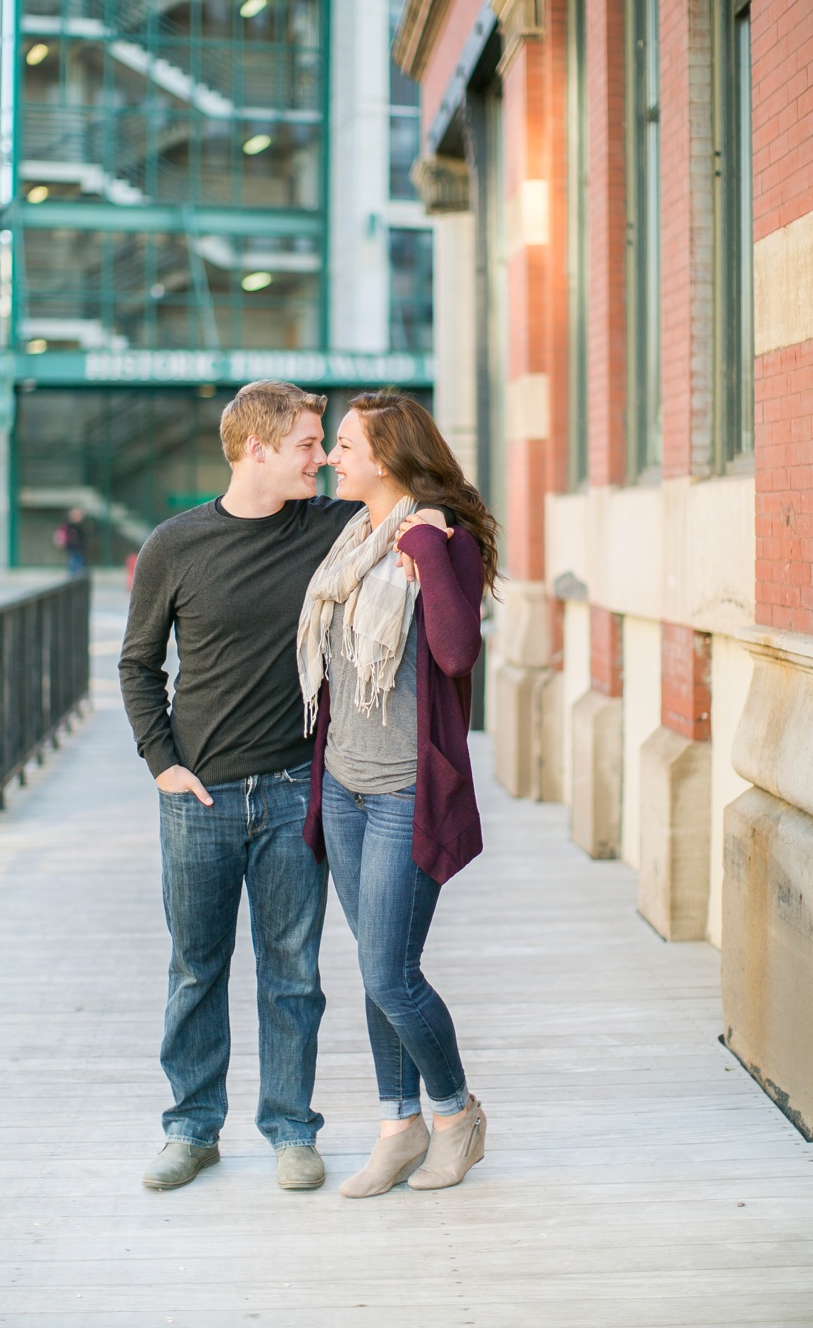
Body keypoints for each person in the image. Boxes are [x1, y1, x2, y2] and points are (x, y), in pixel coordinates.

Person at [118, 380, 363, 1193]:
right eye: (306, 444)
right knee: (197, 968)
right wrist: (163, 764)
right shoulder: (175, 545)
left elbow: (415, 503)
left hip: (295, 788)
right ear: (256, 449)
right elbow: (138, 663)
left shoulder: (330, 527)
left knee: (293, 971)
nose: (321, 457)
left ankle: (291, 1128)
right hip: (201, 801)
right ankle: (192, 1128)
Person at [298, 391, 494, 1196]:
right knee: (377, 964)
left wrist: (423, 544)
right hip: (344, 785)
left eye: (344, 445)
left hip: (407, 790)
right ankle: (397, 1124)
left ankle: (455, 1114)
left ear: (385, 457)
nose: (333, 458)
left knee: (389, 971)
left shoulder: (443, 537)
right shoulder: (350, 540)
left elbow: (454, 650)